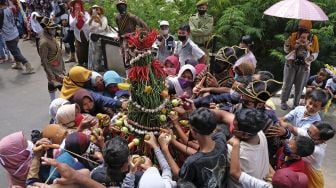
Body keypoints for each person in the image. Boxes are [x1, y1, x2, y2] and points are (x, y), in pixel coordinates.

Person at [160, 108, 228, 188]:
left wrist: (165, 150)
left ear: (193, 132)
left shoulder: (192, 162)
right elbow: (191, 144)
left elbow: (179, 176)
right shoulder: (221, 138)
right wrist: (174, 140)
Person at [229, 136, 308, 188]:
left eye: (291, 147)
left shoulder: (296, 168)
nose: (287, 146)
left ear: (297, 156)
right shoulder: (283, 151)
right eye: (289, 143)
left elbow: (277, 177)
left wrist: (236, 145)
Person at [281, 20, 319, 110]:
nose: (302, 30)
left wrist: (311, 57)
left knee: (300, 85)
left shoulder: (314, 38)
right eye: (301, 28)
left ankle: (296, 104)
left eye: (305, 28)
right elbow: (286, 50)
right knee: (287, 83)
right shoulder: (294, 35)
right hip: (291, 62)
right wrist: (288, 45)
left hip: (304, 65)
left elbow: (316, 52)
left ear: (309, 29)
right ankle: (283, 101)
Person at [227, 108, 269, 188]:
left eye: (235, 127)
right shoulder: (260, 134)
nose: (232, 127)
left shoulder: (233, 150)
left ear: (245, 135)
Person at [0, 0, 35, 74]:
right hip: (15, 33)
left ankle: (29, 66)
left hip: (9, 36)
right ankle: (18, 64)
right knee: (15, 50)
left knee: (15, 52)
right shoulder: (9, 9)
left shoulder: (1, 12)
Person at [38, 17, 66, 102]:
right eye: (52, 29)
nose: (54, 30)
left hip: (59, 65)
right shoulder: (44, 42)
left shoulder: (51, 36)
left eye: (54, 28)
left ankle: (52, 101)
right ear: (46, 29)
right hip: (53, 69)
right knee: (64, 88)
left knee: (52, 85)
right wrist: (50, 74)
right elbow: (44, 60)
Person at [115, 0, 148, 68]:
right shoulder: (117, 17)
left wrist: (137, 35)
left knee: (133, 60)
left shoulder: (132, 17)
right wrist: (118, 36)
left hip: (132, 42)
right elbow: (119, 30)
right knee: (125, 60)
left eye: (122, 5)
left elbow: (145, 27)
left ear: (125, 6)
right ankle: (128, 76)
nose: (121, 7)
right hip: (123, 42)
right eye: (119, 6)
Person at [69, 0, 90, 67]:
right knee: (78, 48)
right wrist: (76, 17)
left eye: (78, 5)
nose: (77, 7)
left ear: (81, 6)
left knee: (86, 47)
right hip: (78, 33)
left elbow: (89, 21)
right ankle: (80, 62)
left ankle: (87, 62)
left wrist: (83, 16)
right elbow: (71, 24)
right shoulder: (71, 14)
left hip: (85, 33)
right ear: (74, 7)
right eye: (76, 6)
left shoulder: (85, 13)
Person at [88, 4, 108, 71]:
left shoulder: (103, 18)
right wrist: (91, 19)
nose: (96, 10)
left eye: (97, 9)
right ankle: (92, 68)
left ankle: (97, 68)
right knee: (92, 54)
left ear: (100, 10)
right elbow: (87, 28)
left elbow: (103, 28)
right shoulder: (90, 18)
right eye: (94, 9)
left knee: (98, 54)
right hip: (92, 38)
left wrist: (99, 19)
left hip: (100, 38)